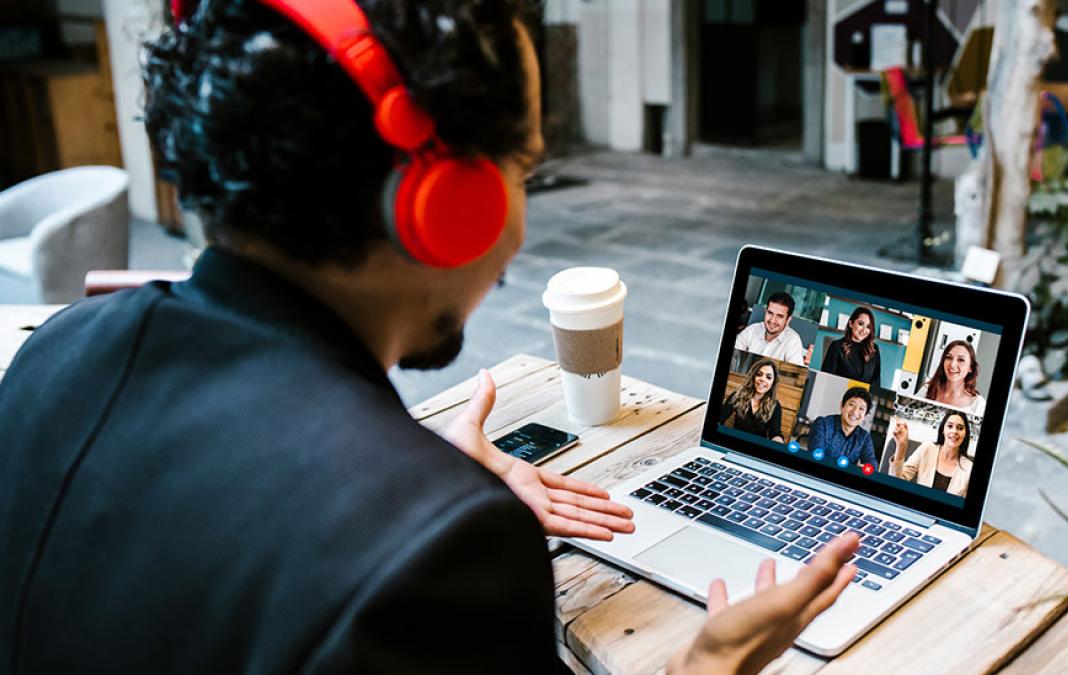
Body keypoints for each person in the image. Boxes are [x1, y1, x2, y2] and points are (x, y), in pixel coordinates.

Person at [0, 1, 859, 672]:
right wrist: (707, 662)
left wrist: (409, 474)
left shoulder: (57, 354)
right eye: (520, 169)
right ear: (447, 206)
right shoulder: (442, 550)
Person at [888, 412, 974, 497]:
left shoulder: (969, 469)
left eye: (960, 428)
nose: (954, 431)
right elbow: (895, 482)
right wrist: (901, 446)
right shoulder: (927, 449)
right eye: (950, 426)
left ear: (965, 434)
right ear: (943, 430)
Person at [734, 292, 813, 366]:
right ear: (765, 312)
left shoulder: (793, 340)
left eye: (780, 316)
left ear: (788, 320)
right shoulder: (753, 329)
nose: (772, 320)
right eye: (770, 313)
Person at [805, 388, 877, 467]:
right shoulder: (822, 424)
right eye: (852, 405)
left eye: (861, 409)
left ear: (865, 416)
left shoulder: (864, 437)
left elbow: (872, 466)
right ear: (842, 406)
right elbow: (815, 457)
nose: (855, 412)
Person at [720, 358, 786, 443]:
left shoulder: (775, 406)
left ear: (773, 383)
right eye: (759, 374)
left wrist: (778, 441)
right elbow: (720, 418)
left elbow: (775, 433)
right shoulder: (737, 396)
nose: (762, 379)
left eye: (768, 377)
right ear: (753, 376)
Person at [916, 340, 987, 416]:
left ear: (971, 368)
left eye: (961, 360)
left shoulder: (978, 405)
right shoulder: (926, 390)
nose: (952, 364)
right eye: (949, 358)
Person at [820, 306, 881, 388]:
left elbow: (877, 381)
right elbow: (826, 379)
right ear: (851, 323)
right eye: (860, 324)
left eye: (868, 327)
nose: (864, 330)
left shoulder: (874, 349)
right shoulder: (836, 346)